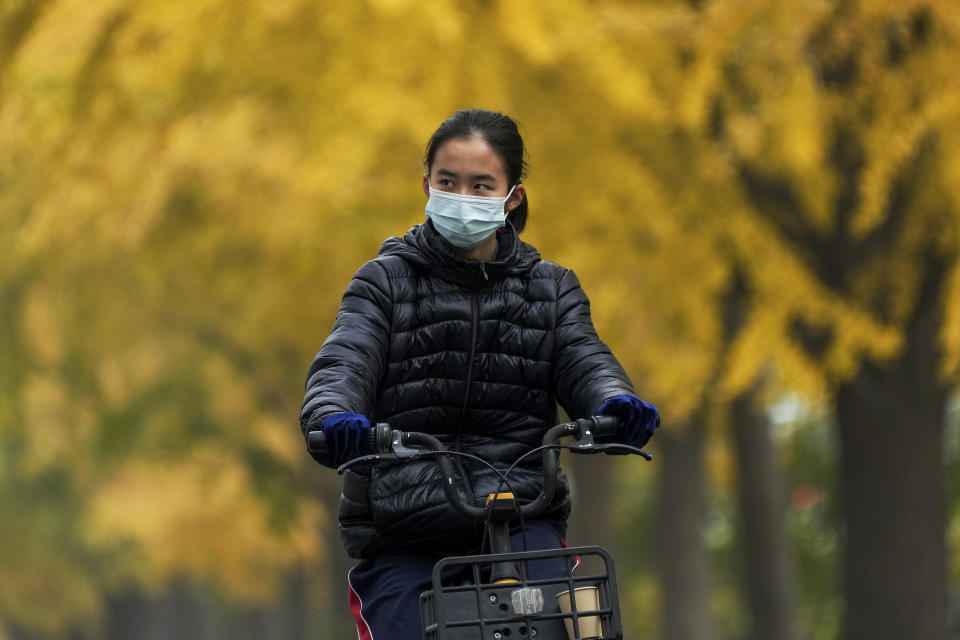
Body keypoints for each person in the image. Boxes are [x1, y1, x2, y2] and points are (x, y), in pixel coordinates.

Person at [299, 108, 659, 640]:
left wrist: (612, 403)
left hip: (522, 519)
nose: (462, 197)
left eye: (480, 184)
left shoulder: (551, 290)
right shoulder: (383, 283)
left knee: (578, 626)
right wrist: (334, 416)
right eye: (448, 182)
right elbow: (346, 358)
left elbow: (585, 357)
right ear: (426, 185)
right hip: (407, 529)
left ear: (511, 196)